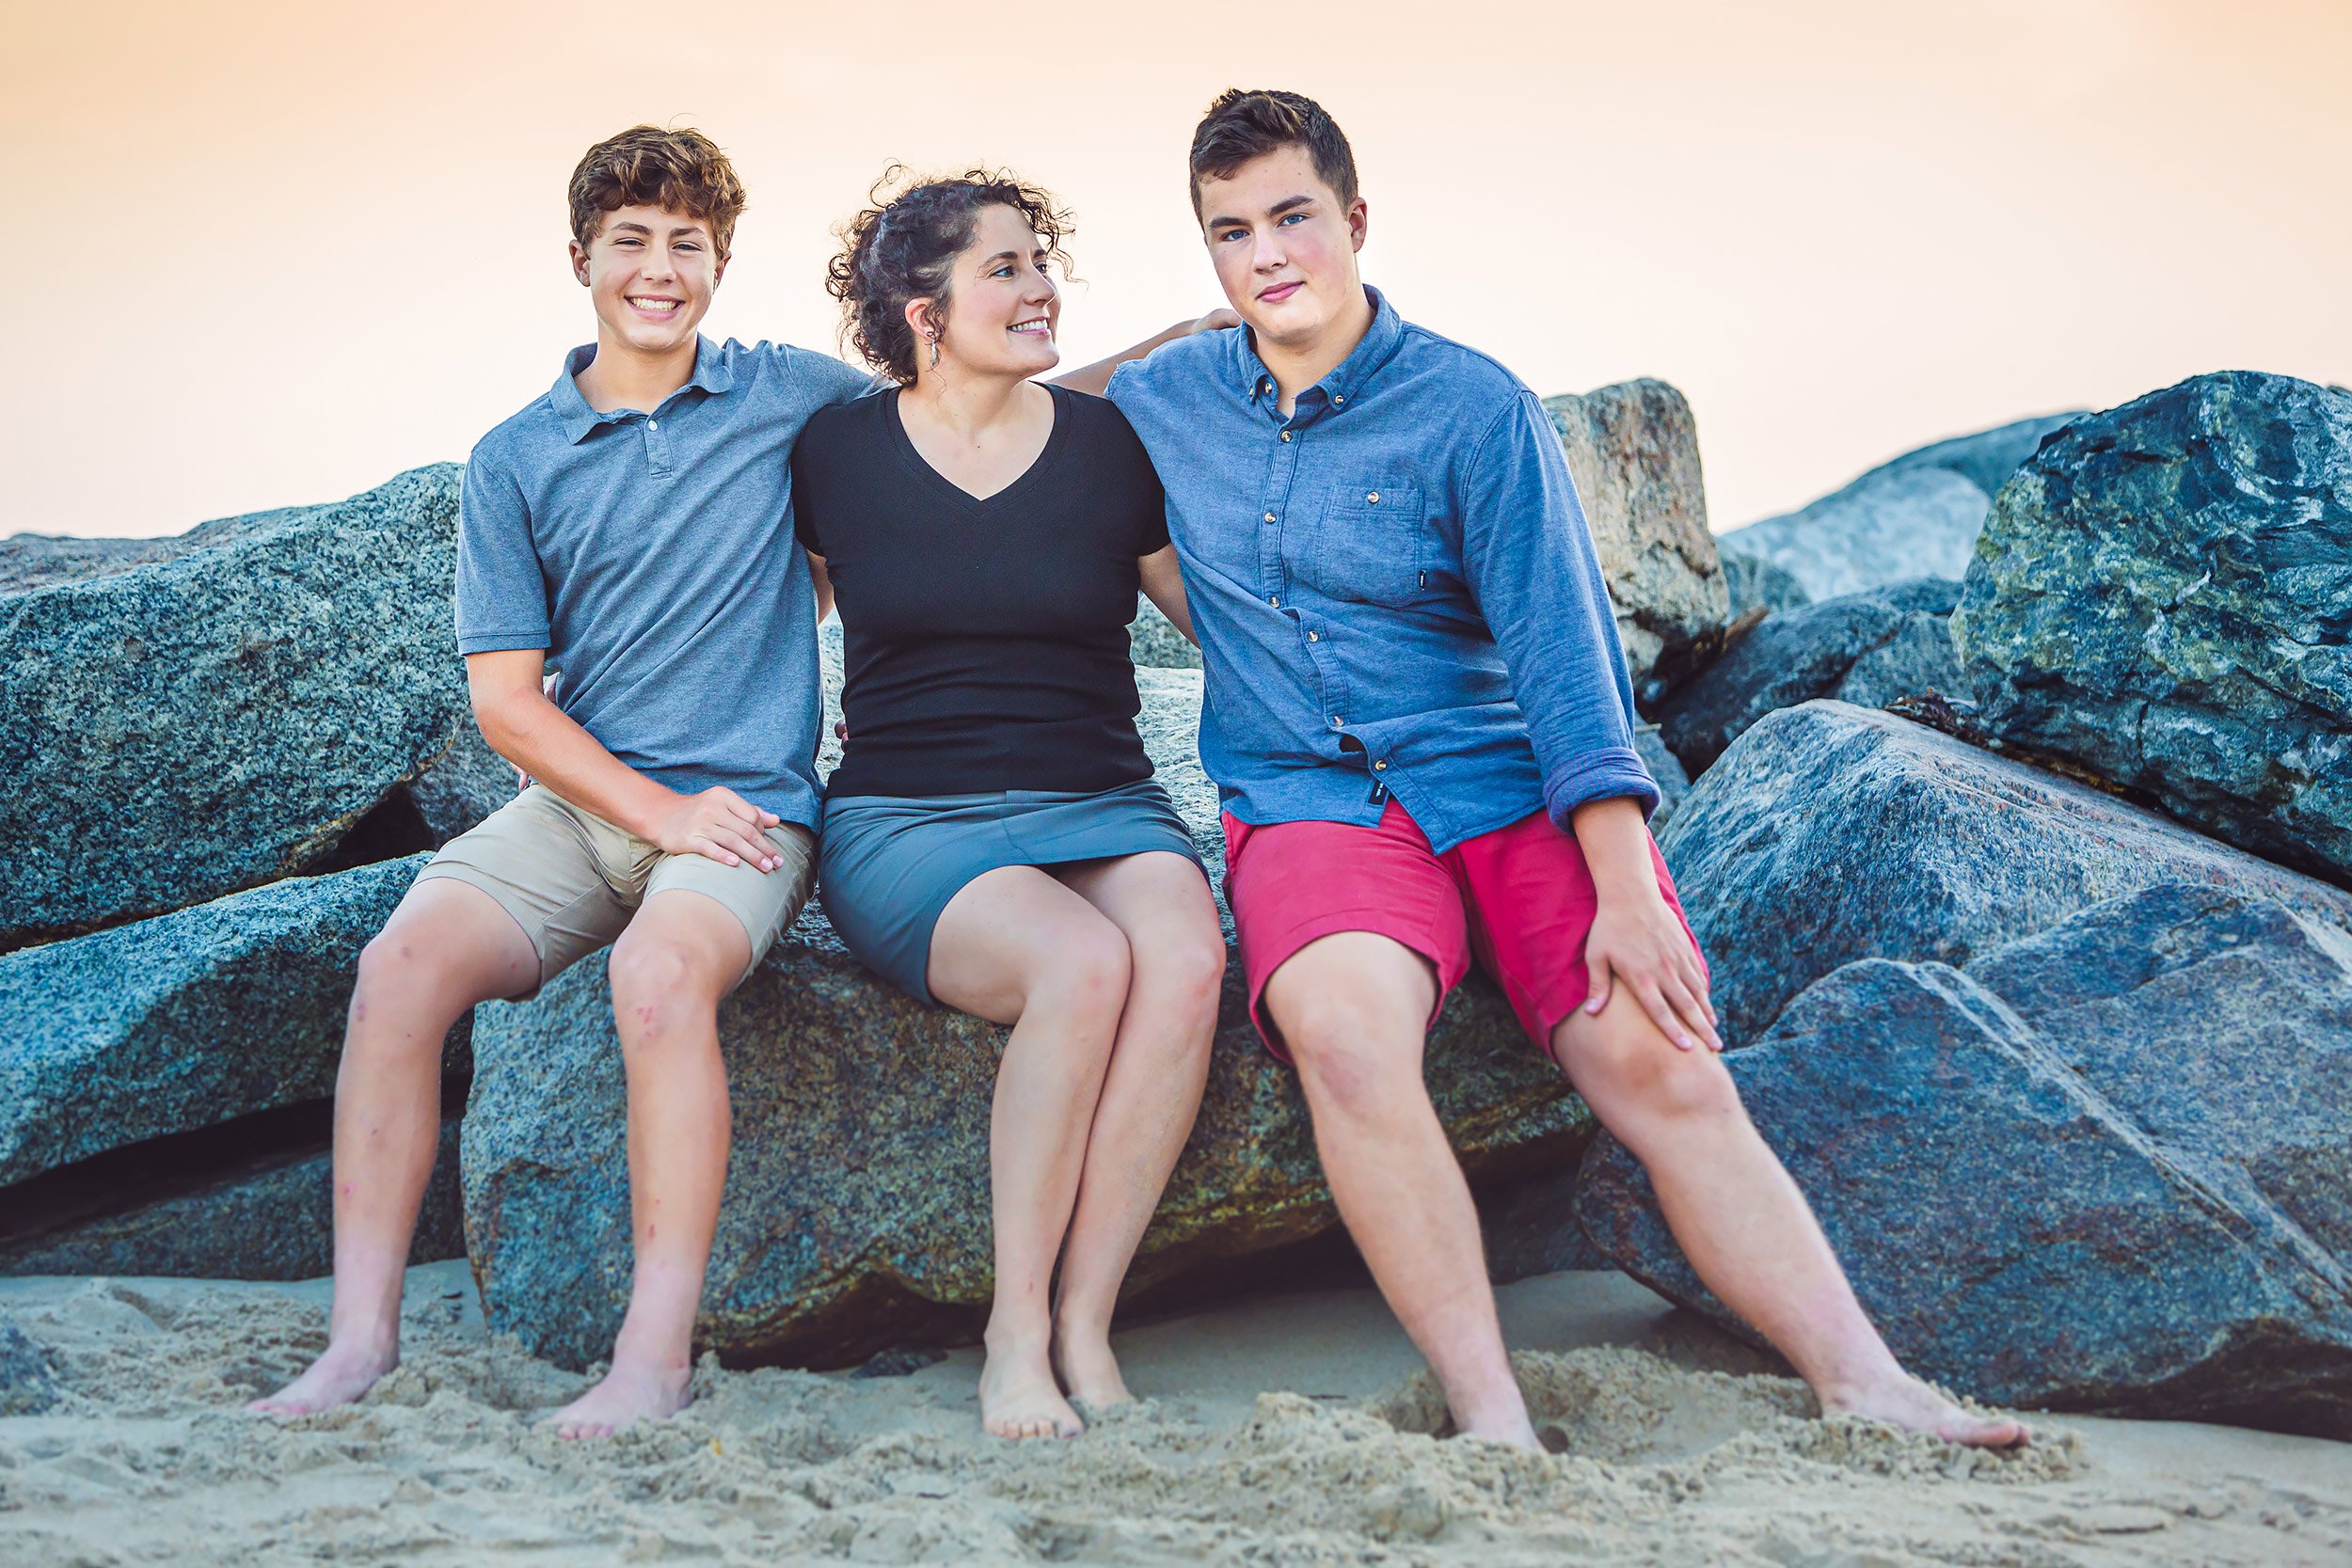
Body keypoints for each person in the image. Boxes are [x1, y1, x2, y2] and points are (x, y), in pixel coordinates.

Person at [1104, 89, 2027, 1451]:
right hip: (1310, 805)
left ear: (1356, 220)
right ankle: (1492, 1418)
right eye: (1230, 234)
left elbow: (1565, 663)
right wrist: (1160, 338)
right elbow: (1009, 407)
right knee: (1347, 1044)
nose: (1267, 256)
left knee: (1661, 1064)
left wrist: (1628, 886)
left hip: (1504, 785)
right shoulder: (1164, 398)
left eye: (1293, 217)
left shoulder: (1475, 409)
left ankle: (1867, 1384)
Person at [250, 129, 1202, 1438]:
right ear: (581, 259)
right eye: (632, 243)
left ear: (720, 263)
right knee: (395, 973)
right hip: (586, 804)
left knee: (655, 975)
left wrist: (1175, 340)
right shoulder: (513, 456)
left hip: (748, 807)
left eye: (688, 245)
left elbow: (968, 402)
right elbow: (507, 706)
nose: (660, 270)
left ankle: (653, 1360)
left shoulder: (786, 399)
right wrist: (648, 810)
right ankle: (358, 1344)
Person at [790, 170, 1229, 1441]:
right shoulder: (838, 456)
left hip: (1100, 797)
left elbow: (1210, 622)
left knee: (1188, 957)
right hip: (909, 823)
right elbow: (773, 627)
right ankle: (1013, 1335)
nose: (1040, 287)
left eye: (1042, 261)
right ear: (920, 309)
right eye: (1004, 268)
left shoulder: (1106, 448)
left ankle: (1087, 1320)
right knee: (1081, 966)